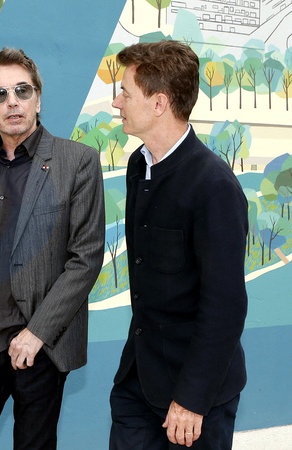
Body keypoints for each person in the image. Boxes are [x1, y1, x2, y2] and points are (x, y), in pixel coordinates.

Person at [0, 47, 105, 449]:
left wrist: (37, 333)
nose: (12, 102)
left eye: (22, 90)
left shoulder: (77, 161)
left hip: (38, 346)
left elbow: (85, 259)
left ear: (38, 98)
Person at [108, 40, 248, 449]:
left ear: (159, 103)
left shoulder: (214, 186)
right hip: (138, 380)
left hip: (195, 395)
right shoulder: (139, 164)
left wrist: (191, 399)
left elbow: (225, 307)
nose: (116, 102)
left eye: (125, 93)